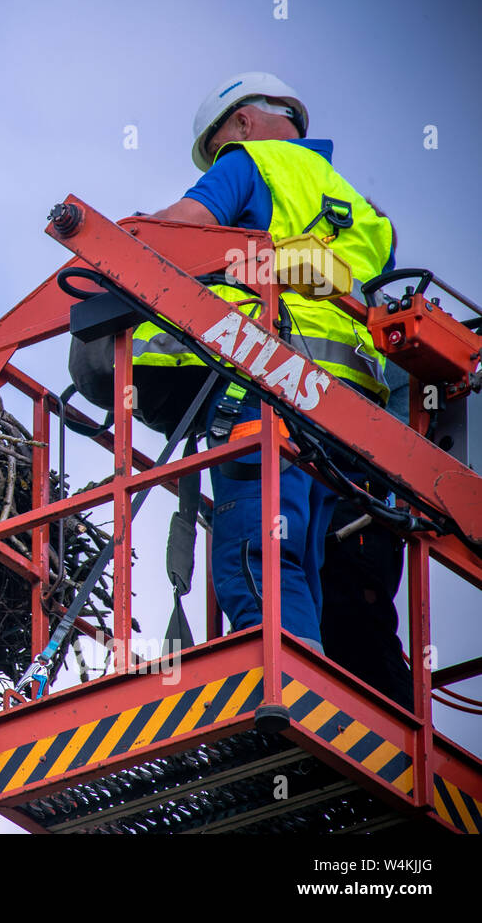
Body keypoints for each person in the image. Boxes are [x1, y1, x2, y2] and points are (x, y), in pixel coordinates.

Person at [138, 72, 394, 656]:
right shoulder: (366, 213)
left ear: (243, 123)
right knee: (300, 554)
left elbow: (177, 233)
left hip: (269, 382)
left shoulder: (250, 160)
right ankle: (313, 681)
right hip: (347, 414)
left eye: (215, 150)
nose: (216, 164)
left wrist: (126, 235)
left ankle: (287, 689)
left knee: (252, 557)